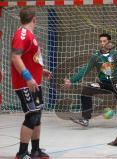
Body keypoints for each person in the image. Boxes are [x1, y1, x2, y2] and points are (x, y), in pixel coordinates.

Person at [64, 33, 117, 126]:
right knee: (86, 90)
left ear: (109, 43)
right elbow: (85, 70)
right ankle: (85, 119)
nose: (102, 43)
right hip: (103, 84)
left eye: (104, 41)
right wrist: (71, 80)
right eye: (100, 41)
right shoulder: (95, 57)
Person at [11, 7, 52, 159]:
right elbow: (16, 57)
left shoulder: (29, 34)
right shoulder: (22, 34)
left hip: (34, 82)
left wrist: (41, 71)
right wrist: (28, 77)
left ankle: (35, 150)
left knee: (38, 115)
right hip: (24, 83)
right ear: (34, 19)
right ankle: (21, 154)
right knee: (32, 116)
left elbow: (31, 59)